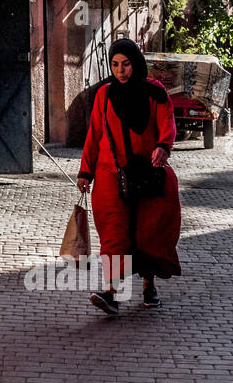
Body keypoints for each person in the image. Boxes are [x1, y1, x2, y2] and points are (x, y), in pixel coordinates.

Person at [76, 38, 182, 314]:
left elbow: (167, 122)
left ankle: (149, 287)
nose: (120, 70)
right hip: (110, 174)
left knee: (148, 233)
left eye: (126, 64)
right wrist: (85, 171)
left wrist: (163, 146)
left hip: (148, 173)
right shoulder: (104, 95)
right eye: (115, 65)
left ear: (136, 63)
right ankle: (111, 293)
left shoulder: (154, 92)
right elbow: (94, 135)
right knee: (113, 233)